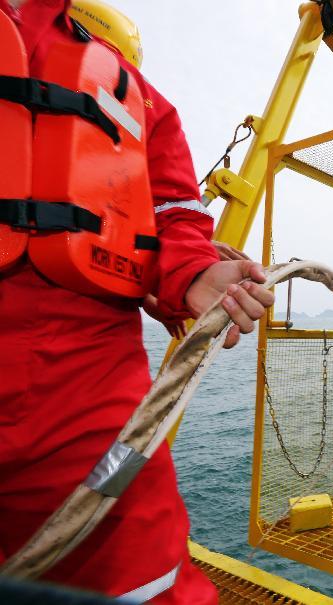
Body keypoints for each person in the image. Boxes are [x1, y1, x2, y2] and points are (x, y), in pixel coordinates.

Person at [0, 0, 274, 602]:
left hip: (81, 380)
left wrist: (195, 272)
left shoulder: (141, 100)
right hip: (80, 371)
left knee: (141, 580)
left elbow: (175, 212)